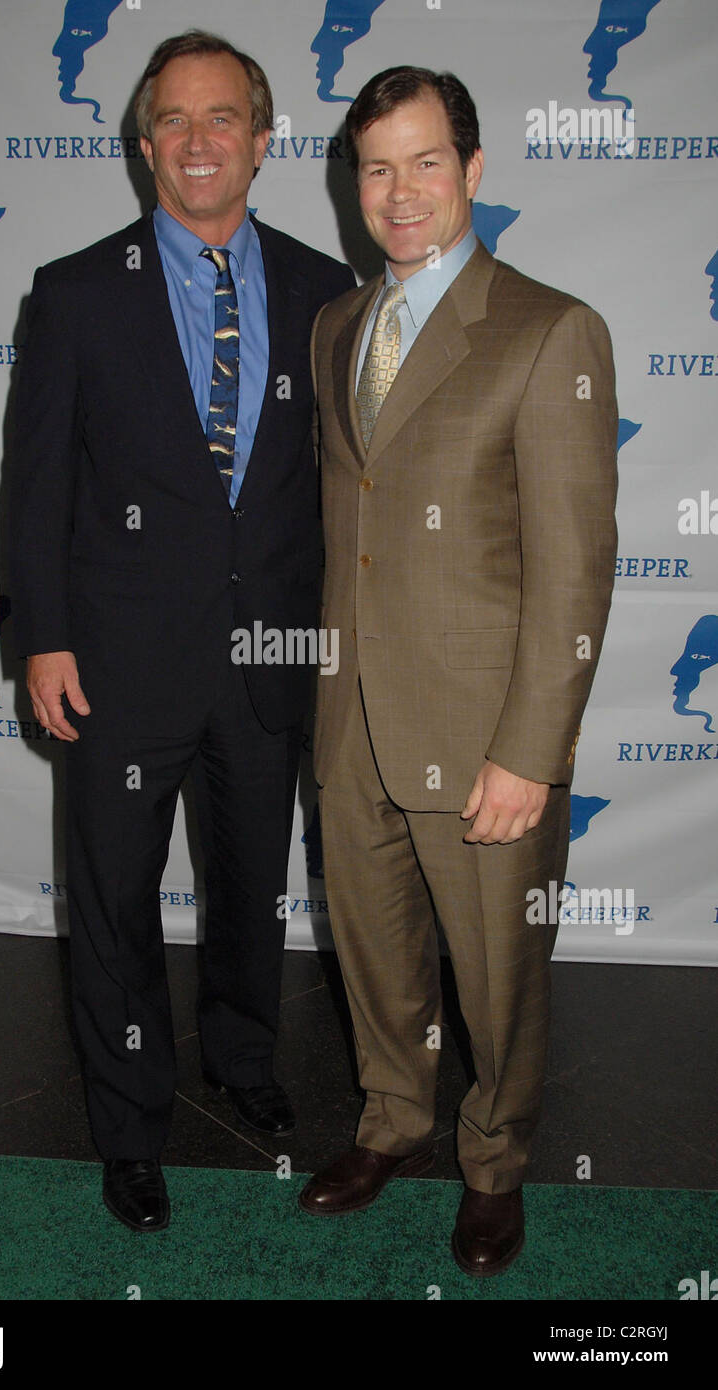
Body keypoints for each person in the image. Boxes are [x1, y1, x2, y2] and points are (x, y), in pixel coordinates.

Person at [9, 29, 354, 1234]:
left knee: (252, 885)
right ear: (143, 142)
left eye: (221, 119)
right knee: (112, 904)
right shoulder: (72, 291)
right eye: (173, 120)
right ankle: (127, 1121)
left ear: (263, 142)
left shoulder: (325, 291)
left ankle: (245, 1063)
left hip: (271, 657)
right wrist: (41, 636)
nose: (197, 140)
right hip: (115, 659)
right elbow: (36, 484)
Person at [298, 66, 618, 1277]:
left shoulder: (547, 330)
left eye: (424, 160)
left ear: (472, 171)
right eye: (375, 166)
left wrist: (530, 751)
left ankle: (493, 1161)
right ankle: (390, 1119)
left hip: (484, 731)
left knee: (494, 980)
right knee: (374, 958)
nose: (399, 191)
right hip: (348, 724)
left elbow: (575, 565)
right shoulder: (338, 326)